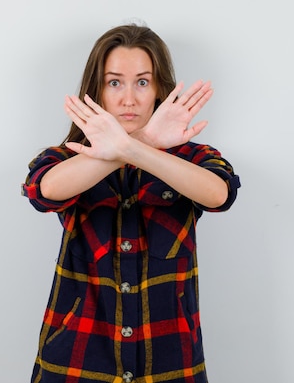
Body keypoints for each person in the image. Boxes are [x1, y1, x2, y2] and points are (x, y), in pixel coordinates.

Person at [21, 23, 241, 383]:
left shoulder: (192, 157)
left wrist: (140, 146)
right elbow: (42, 191)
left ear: (158, 89)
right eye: (114, 82)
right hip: (78, 357)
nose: (129, 99)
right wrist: (142, 141)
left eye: (142, 82)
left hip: (169, 360)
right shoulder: (70, 157)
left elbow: (219, 194)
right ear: (98, 90)